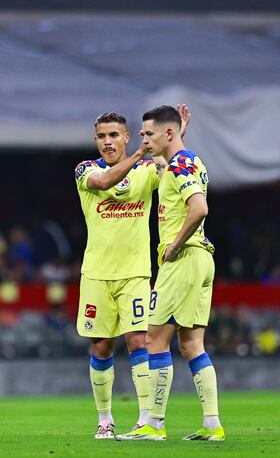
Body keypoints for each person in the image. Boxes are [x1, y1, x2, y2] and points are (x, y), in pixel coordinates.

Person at [75, 109, 190, 439]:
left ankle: (144, 419)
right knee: (101, 346)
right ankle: (105, 419)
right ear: (95, 140)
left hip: (136, 273)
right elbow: (105, 182)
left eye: (114, 135)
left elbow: (175, 170)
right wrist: (142, 152)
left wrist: (175, 135)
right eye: (101, 136)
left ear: (126, 137)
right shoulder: (85, 170)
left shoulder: (149, 171)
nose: (107, 142)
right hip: (96, 274)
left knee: (139, 340)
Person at [116, 105, 224, 441]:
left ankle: (154, 424)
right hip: (203, 259)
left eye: (148, 133)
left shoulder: (177, 164)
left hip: (184, 259)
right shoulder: (190, 159)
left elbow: (200, 207)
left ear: (167, 133)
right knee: (191, 344)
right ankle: (212, 425)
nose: (144, 139)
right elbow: (177, 160)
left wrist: (175, 244)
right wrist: (180, 132)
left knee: (153, 339)